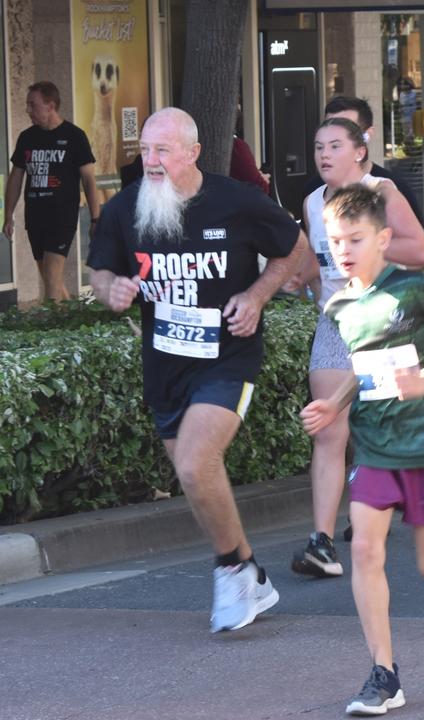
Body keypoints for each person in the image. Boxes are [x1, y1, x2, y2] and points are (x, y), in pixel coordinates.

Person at [87, 107, 308, 632]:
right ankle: (248, 568)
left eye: (163, 151)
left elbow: (293, 246)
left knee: (192, 462)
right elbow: (100, 268)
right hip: (165, 365)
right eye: (145, 151)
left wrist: (256, 296)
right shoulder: (128, 208)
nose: (152, 161)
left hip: (227, 356)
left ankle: (230, 571)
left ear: (193, 152)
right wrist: (108, 290)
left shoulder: (234, 200)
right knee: (197, 475)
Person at [299, 184, 424, 715]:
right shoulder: (339, 303)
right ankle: (384, 673)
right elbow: (365, 368)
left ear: (384, 239)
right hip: (375, 445)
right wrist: (335, 404)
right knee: (365, 548)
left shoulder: (415, 289)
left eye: (355, 238)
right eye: (334, 240)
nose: (343, 250)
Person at [290, 117, 424, 579]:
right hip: (336, 323)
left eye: (334, 146)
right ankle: (321, 542)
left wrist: (371, 251)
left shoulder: (382, 192)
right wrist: (300, 279)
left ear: (358, 151)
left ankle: (378, 503)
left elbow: (421, 251)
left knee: (378, 431)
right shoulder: (313, 201)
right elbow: (316, 263)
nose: (324, 155)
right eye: (317, 147)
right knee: (329, 429)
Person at [4, 81, 99, 301]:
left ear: (51, 105)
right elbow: (16, 178)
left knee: (52, 274)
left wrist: (95, 218)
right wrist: (8, 214)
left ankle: (50, 329)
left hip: (61, 217)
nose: (28, 110)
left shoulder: (75, 137)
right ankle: (68, 319)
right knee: (50, 279)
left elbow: (89, 180)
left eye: (32, 105)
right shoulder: (27, 138)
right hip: (35, 217)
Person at [302, 96, 424, 227]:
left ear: (367, 135)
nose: (334, 135)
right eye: (329, 127)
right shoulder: (312, 192)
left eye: (347, 128)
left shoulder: (390, 188)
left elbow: (418, 244)